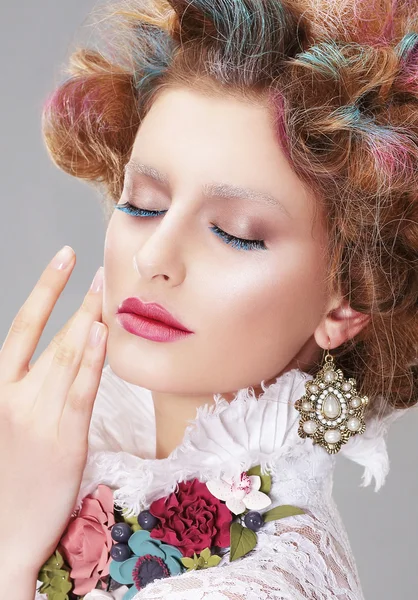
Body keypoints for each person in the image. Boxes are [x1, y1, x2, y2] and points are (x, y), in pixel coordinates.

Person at [0, 0, 417, 598]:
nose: (154, 258)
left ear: (347, 302)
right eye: (142, 204)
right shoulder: (57, 454)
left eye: (236, 233)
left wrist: (11, 553)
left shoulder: (265, 582)